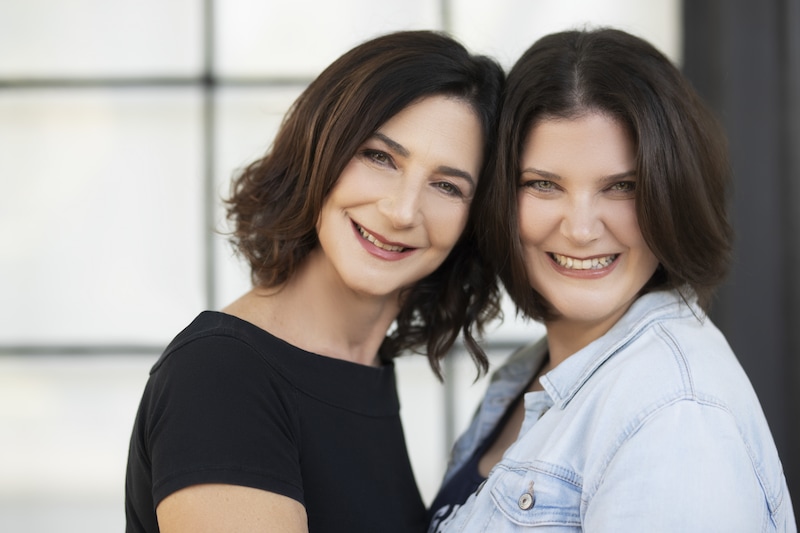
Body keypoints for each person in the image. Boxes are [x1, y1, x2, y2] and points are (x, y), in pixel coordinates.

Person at [125, 30, 504, 533]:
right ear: (320, 148)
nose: (403, 210)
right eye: (379, 156)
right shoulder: (222, 375)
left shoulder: (363, 365)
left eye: (447, 185)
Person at [428, 28, 796, 532]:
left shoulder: (676, 418)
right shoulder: (529, 376)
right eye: (543, 184)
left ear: (673, 195)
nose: (580, 229)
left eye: (622, 187)